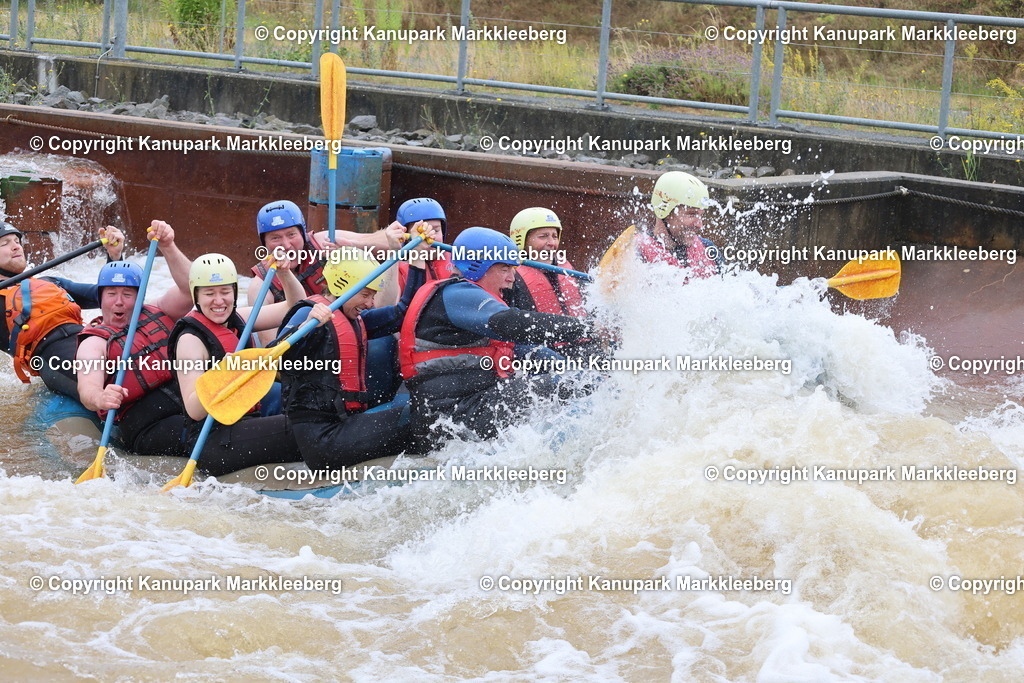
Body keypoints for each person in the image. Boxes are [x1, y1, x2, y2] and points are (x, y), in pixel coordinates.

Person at [399, 227, 597, 448]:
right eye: (505, 269)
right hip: (452, 418)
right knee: (575, 384)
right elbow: (509, 323)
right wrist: (588, 328)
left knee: (579, 378)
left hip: (473, 406)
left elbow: (523, 350)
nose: (512, 279)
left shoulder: (472, 300)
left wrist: (570, 369)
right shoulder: (456, 294)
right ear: (477, 268)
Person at [275, 246, 432, 471]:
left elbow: (404, 312)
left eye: (373, 296)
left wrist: (416, 257)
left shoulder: (353, 319)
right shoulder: (309, 315)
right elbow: (277, 358)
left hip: (345, 424)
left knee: (424, 410)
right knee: (419, 416)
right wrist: (305, 330)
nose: (370, 303)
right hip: (323, 440)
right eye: (365, 294)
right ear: (342, 286)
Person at [170, 253, 303, 475]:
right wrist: (221, 375)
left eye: (225, 292)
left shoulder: (239, 318)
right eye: (209, 293)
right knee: (305, 426)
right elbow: (194, 410)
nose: (219, 301)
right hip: (214, 441)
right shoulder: (189, 341)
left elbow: (295, 306)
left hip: (245, 422)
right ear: (196, 296)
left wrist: (284, 273)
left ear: (234, 291)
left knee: (310, 408)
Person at [75, 221, 194, 455]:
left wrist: (168, 246)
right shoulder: (94, 343)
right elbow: (87, 388)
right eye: (111, 294)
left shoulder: (159, 309)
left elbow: (192, 289)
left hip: (189, 396)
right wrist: (100, 397)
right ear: (100, 299)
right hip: (148, 421)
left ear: (139, 297)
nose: (119, 301)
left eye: (127, 294)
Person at [247, 199, 405, 344]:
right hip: (311, 348)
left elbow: (391, 241)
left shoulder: (324, 242)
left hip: (352, 321)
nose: (286, 245)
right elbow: (273, 347)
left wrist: (353, 245)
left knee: (385, 338)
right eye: (275, 238)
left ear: (302, 233)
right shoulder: (260, 286)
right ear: (264, 243)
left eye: (291, 234)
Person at [0, 220, 126, 398]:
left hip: (89, 340)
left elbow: (110, 298)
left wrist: (114, 258)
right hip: (51, 357)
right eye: (5, 243)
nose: (16, 247)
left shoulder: (49, 282)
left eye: (17, 242)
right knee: (125, 383)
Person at [635, 171, 723, 277]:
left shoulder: (708, 248)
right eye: (691, 214)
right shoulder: (634, 251)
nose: (700, 225)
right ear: (665, 211)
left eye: (701, 215)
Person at [505, 207, 586, 317]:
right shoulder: (509, 277)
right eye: (543, 236)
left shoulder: (567, 269)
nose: (552, 243)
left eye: (555, 236)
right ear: (522, 239)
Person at [394, 198, 455, 290]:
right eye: (421, 232)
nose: (431, 237)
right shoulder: (396, 270)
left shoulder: (458, 259)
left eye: (436, 230)